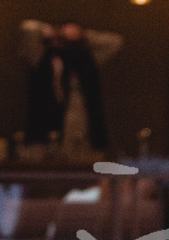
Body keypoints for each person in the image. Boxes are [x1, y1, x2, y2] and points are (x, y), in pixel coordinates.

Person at [20, 19, 122, 157]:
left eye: (63, 40)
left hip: (80, 128)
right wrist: (53, 30)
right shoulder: (41, 59)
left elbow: (115, 41)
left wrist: (83, 34)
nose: (58, 42)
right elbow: (28, 27)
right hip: (44, 126)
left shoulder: (86, 62)